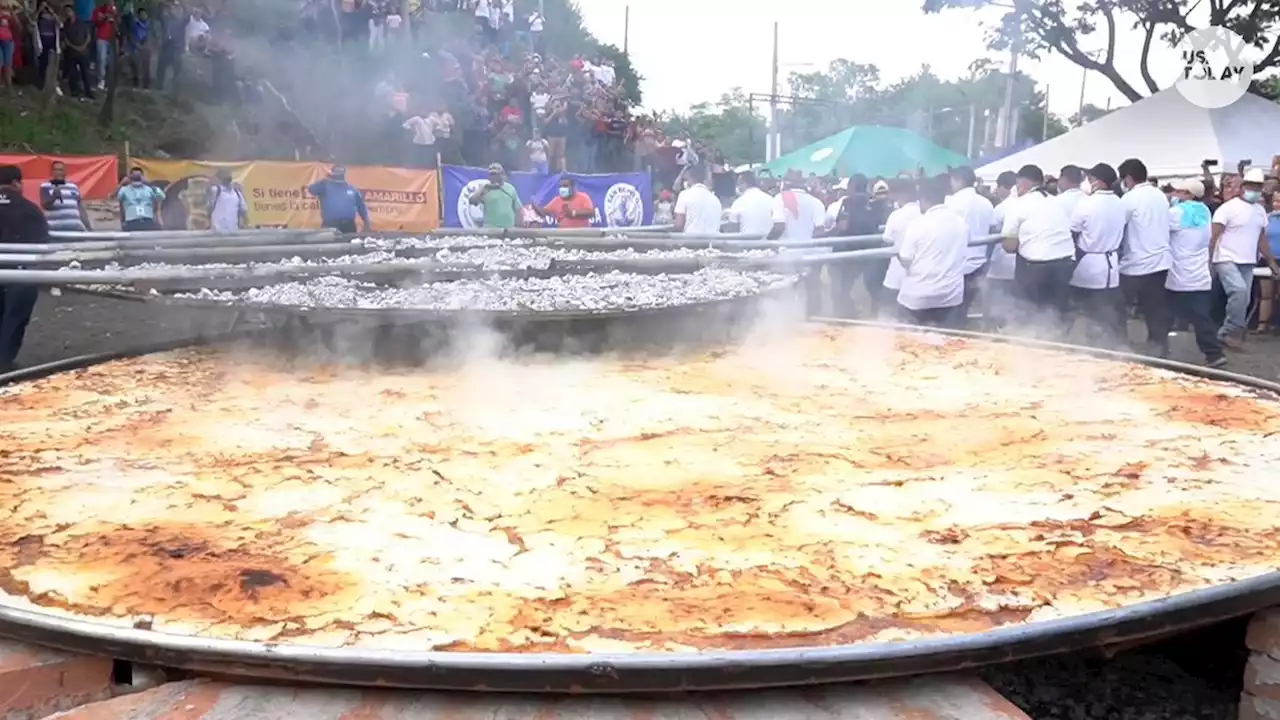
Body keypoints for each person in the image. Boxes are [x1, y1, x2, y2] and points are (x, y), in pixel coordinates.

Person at [1000, 164, 1075, 334]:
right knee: (1055, 318)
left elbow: (1009, 246)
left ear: (1023, 184)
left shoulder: (1018, 205)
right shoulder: (1056, 202)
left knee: (1028, 316)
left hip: (1035, 268)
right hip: (1065, 265)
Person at [1210, 167, 1279, 348]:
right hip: (1225, 258)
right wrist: (1209, 261)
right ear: (1243, 186)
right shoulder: (1228, 209)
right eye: (1251, 186)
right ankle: (1233, 331)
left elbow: (1261, 238)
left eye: (1258, 187)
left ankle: (1226, 332)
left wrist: (1271, 261)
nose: (1254, 191)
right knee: (1239, 292)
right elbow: (1215, 235)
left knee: (1244, 298)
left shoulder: (1260, 211)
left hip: (1248, 260)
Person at [1166, 178, 1226, 368]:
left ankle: (1159, 349)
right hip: (1199, 273)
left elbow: (1161, 231)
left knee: (1162, 311)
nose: (1176, 194)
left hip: (1179, 271)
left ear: (1189, 194)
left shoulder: (1176, 212)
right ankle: (1214, 354)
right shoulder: (1205, 211)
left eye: (1180, 192)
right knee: (1202, 317)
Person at [1117, 158, 1174, 357]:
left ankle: (1118, 344)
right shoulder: (1159, 195)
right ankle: (1159, 348)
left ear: (1129, 178)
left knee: (1118, 305)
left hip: (1136, 263)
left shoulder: (1130, 199)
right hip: (1161, 261)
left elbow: (1118, 226)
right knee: (1156, 308)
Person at [896, 175, 968, 329]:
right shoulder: (960, 221)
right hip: (950, 295)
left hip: (918, 296)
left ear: (924, 199)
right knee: (946, 343)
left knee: (909, 344)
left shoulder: (918, 224)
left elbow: (905, 258)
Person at [1067, 163, 1127, 348]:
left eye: (1090, 179)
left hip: (1088, 264)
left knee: (1077, 309)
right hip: (1111, 265)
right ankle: (1107, 346)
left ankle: (1071, 343)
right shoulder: (1120, 203)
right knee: (1105, 312)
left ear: (1098, 182)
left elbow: (1073, 232)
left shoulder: (1086, 203)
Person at [0, 166, 49, 373]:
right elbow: (43, 244)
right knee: (14, 319)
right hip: (20, 272)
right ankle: (4, 364)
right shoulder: (29, 209)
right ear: (16, 183)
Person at [945, 166, 995, 326]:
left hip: (958, 264)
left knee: (951, 313)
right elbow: (992, 226)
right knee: (965, 309)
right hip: (979, 263)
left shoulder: (951, 202)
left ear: (958, 180)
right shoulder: (986, 203)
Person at [881, 179, 922, 320]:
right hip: (919, 274)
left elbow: (887, 240)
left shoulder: (896, 215)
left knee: (890, 315)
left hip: (896, 273)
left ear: (903, 194)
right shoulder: (924, 214)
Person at [984, 170, 1019, 331]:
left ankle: (994, 332)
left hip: (1001, 264)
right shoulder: (1025, 203)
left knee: (995, 304)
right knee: (1015, 305)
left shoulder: (1001, 208)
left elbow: (991, 233)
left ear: (1005, 187)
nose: (997, 191)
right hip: (1020, 264)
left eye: (998, 187)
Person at [307, 166, 371, 234]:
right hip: (330, 224)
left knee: (350, 243)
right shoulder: (324, 185)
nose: (339, 173)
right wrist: (324, 179)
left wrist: (366, 222)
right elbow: (311, 189)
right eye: (337, 171)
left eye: (341, 171)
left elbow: (361, 206)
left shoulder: (352, 188)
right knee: (331, 244)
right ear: (332, 172)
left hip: (349, 225)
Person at [768, 170, 825, 242]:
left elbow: (779, 227)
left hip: (785, 250)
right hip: (809, 250)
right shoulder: (816, 202)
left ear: (785, 184)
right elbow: (819, 230)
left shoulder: (780, 198)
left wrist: (767, 242)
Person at [40, 161, 93, 232]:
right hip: (56, 231)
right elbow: (45, 205)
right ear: (52, 172)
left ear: (65, 172)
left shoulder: (73, 187)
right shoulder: (45, 186)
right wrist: (53, 197)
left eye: (61, 170)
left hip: (76, 230)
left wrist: (89, 228)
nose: (58, 172)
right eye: (56, 170)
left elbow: (80, 209)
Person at [467, 163, 520, 230]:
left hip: (508, 229)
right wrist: (484, 187)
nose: (494, 177)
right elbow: (472, 201)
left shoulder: (510, 188)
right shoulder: (485, 189)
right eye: (492, 175)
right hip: (490, 229)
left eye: (496, 174)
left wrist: (518, 227)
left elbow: (518, 209)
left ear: (502, 175)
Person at [672, 163, 722, 235]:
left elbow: (679, 225)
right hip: (713, 243)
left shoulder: (684, 195)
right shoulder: (715, 199)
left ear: (689, 178)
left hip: (692, 243)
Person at [725, 171, 774, 237]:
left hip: (747, 243)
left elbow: (733, 226)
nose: (738, 187)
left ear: (744, 183)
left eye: (739, 184)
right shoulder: (770, 199)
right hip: (769, 242)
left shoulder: (739, 202)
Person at [116, 167, 165, 231]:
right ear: (129, 177)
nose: (136, 178)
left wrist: (149, 183)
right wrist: (121, 183)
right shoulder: (124, 190)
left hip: (148, 221)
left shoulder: (149, 189)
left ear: (142, 177)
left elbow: (162, 196)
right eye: (134, 176)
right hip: (131, 222)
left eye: (138, 176)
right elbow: (113, 196)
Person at [208, 168, 249, 233]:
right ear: (219, 178)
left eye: (228, 175)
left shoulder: (237, 193)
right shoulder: (216, 190)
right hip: (217, 233)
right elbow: (207, 205)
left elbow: (244, 210)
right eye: (224, 175)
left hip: (233, 232)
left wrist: (245, 225)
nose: (227, 177)